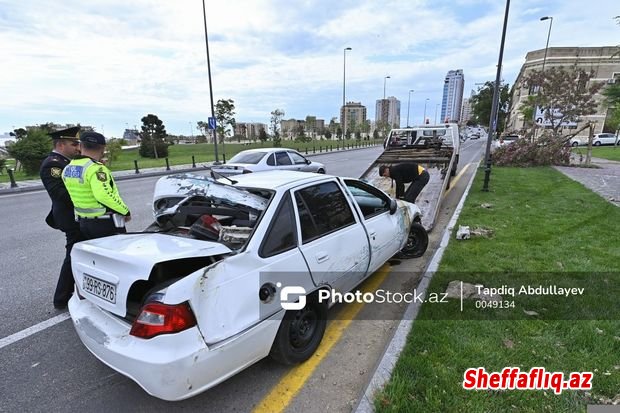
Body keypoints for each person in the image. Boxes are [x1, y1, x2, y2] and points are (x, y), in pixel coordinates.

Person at [40, 126, 83, 309]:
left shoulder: (66, 162)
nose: (77, 147)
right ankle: (61, 297)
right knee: (73, 255)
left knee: (78, 253)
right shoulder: (53, 164)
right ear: (60, 144)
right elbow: (60, 194)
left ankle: (75, 291)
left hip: (77, 216)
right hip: (69, 217)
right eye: (73, 144)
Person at [62, 131, 131, 240]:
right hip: (104, 222)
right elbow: (103, 195)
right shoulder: (97, 169)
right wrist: (124, 211)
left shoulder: (68, 168)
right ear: (103, 148)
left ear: (80, 146)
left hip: (83, 222)